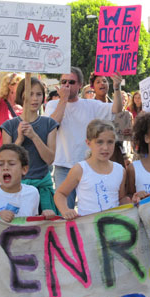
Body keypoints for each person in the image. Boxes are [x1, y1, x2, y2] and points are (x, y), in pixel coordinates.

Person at [44, 67, 123, 209]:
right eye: (64, 82)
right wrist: (63, 100)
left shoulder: (91, 104)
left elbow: (116, 109)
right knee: (65, 209)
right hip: (64, 166)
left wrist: (117, 87)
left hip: (89, 166)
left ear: (80, 85)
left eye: (71, 82)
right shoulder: (53, 104)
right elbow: (52, 125)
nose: (67, 85)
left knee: (93, 207)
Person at [1, 77, 59, 217]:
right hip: (18, 189)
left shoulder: (49, 124)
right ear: (22, 96)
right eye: (30, 94)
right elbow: (4, 159)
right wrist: (20, 139)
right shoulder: (9, 126)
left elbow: (49, 159)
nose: (34, 99)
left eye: (38, 94)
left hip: (42, 187)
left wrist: (34, 136)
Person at [54, 119, 130, 219]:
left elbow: (121, 198)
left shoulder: (120, 170)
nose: (105, 148)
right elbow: (60, 193)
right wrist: (65, 210)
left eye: (110, 142)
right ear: (88, 143)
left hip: (113, 228)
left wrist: (130, 202)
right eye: (99, 142)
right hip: (88, 229)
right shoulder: (80, 169)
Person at [0, 144, 40, 222]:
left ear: (24, 169)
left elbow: (34, 222)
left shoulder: (32, 193)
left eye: (11, 164)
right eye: (1, 164)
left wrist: (46, 216)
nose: (5, 168)